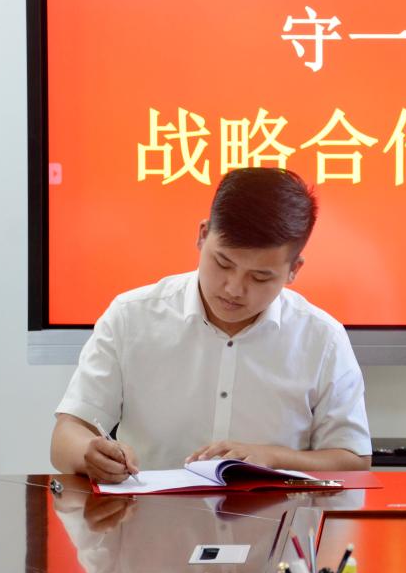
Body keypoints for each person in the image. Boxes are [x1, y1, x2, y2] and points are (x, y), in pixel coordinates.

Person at [51, 167, 371, 483]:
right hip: (148, 514)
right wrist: (89, 453)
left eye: (260, 277)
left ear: (294, 270)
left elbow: (354, 459)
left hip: (276, 517)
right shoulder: (131, 317)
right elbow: (67, 434)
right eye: (223, 263)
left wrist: (274, 458)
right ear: (203, 235)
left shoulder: (322, 338)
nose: (234, 288)